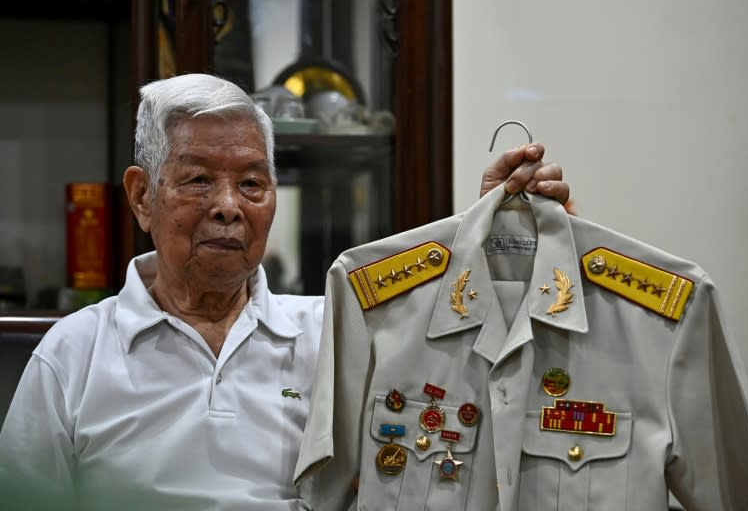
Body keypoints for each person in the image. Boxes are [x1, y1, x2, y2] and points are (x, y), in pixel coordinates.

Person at [0, 73, 568, 510]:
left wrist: (501, 230)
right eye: (199, 179)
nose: (228, 206)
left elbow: (473, 385)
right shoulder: (73, 353)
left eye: (252, 184)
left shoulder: (338, 332)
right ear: (142, 196)